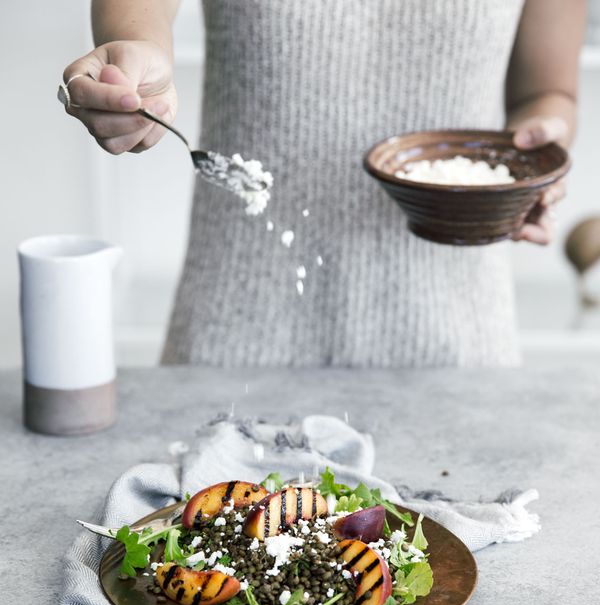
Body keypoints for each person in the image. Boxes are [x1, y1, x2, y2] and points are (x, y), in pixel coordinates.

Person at [61, 0, 585, 367]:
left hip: (460, 341)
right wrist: (133, 51)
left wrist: (537, 155)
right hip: (233, 337)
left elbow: (548, 90)